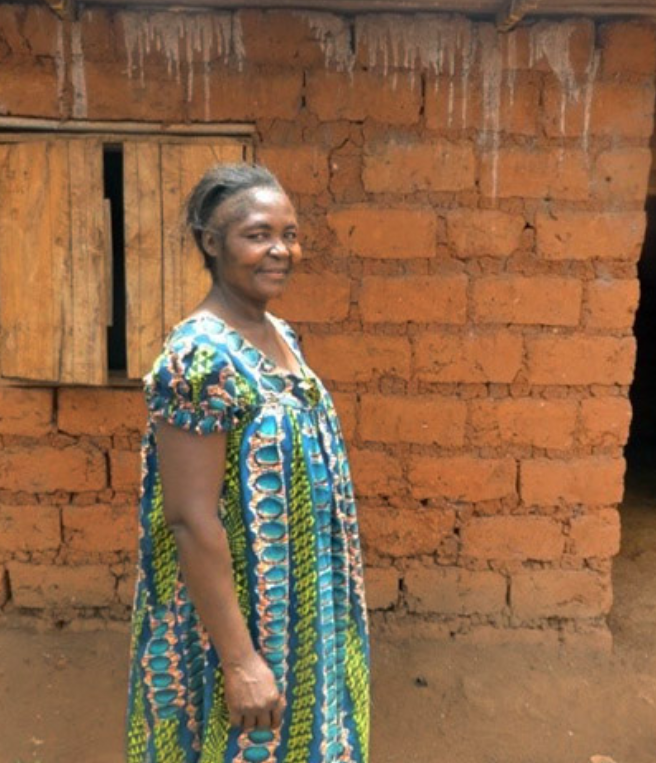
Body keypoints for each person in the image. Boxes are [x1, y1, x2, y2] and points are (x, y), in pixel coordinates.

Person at [125, 164, 370, 763]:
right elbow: (190, 519)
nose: (281, 250)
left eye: (290, 234)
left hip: (304, 612)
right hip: (236, 625)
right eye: (259, 235)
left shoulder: (279, 333)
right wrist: (239, 660)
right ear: (212, 242)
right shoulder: (197, 358)